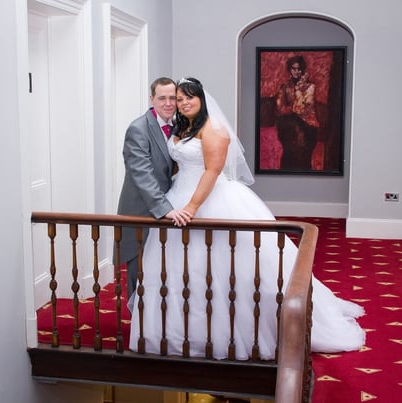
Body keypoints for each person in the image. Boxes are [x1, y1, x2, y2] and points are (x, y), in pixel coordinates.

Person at [129, 77, 365, 359]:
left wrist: (192, 207)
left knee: (233, 269)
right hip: (177, 198)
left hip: (208, 200)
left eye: (188, 97)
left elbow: (211, 172)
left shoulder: (214, 129)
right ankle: (185, 332)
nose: (182, 103)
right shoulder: (183, 127)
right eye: (179, 99)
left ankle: (240, 332)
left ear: (202, 99)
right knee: (185, 270)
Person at [116, 77, 190, 301]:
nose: (168, 103)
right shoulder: (138, 129)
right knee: (138, 272)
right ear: (152, 99)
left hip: (167, 207)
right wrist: (165, 208)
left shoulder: (178, 126)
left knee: (161, 271)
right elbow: (142, 174)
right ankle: (136, 324)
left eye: (173, 98)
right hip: (141, 210)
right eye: (162, 98)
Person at [275, 55, 320, 170]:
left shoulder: (310, 86)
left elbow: (304, 108)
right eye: (293, 69)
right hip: (290, 124)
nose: (296, 72)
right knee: (289, 149)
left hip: (308, 125)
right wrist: (293, 108)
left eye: (299, 69)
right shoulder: (284, 87)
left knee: (303, 153)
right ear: (289, 69)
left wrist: (298, 90)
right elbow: (280, 108)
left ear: (303, 70)